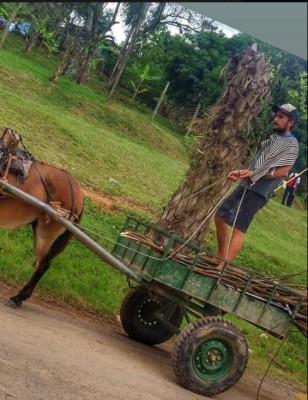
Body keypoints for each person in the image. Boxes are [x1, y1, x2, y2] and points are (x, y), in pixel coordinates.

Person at [214, 103, 299, 269]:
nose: (275, 119)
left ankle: (223, 267)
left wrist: (255, 175)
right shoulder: (273, 140)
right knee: (220, 215)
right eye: (276, 116)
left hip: (259, 191)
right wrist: (241, 172)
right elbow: (257, 168)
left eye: (281, 117)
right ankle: (220, 256)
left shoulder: (291, 145)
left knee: (239, 227)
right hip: (247, 185)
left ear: (291, 122)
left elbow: (283, 171)